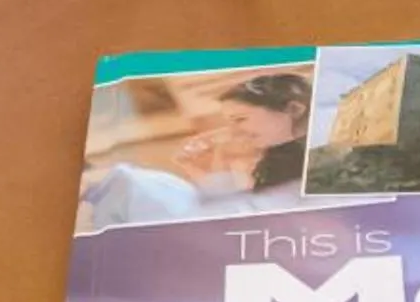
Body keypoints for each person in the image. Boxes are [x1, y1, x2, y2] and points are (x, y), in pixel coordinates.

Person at [78, 71, 312, 229]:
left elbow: (236, 224)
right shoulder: (276, 164)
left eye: (240, 119)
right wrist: (212, 172)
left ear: (293, 110)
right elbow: (237, 216)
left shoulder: (318, 167)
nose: (233, 130)